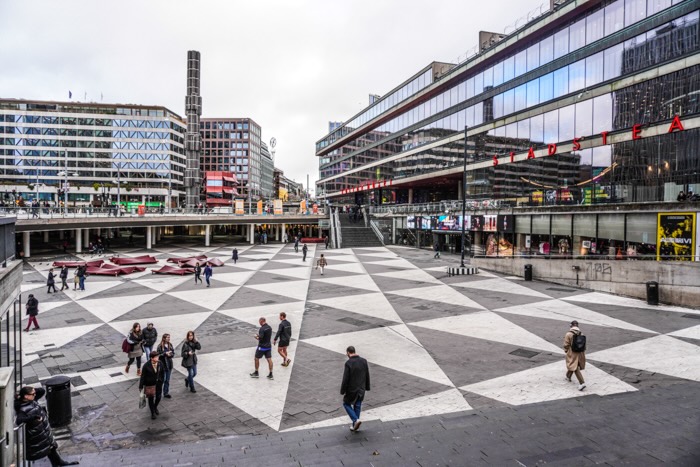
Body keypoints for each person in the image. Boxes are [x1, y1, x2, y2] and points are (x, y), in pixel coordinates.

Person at [14, 386, 79, 466]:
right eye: (33, 394)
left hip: (43, 429)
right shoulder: (22, 409)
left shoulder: (32, 399)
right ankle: (58, 463)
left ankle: (58, 463)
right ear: (26, 396)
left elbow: (42, 391)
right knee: (48, 448)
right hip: (37, 433)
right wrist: (33, 417)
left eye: (34, 393)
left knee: (51, 447)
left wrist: (32, 390)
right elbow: (19, 420)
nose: (35, 395)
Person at [341, 346, 370, 432]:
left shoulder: (348, 363)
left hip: (351, 389)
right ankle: (355, 426)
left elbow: (345, 378)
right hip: (361, 388)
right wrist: (367, 387)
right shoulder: (364, 361)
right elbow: (367, 375)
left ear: (348, 353)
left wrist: (343, 390)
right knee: (357, 405)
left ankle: (355, 420)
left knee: (346, 404)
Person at [139, 351, 165, 420]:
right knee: (151, 398)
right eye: (156, 357)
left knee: (159, 396)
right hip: (150, 384)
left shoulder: (160, 363)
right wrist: (141, 386)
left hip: (159, 383)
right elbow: (143, 376)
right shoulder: (146, 365)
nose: (158, 358)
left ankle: (155, 406)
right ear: (152, 358)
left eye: (158, 356)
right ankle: (152, 412)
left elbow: (162, 372)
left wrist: (162, 380)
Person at [563, 320, 586, 391]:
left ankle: (582, 383)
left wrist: (566, 351)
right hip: (581, 352)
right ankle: (568, 376)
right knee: (573, 364)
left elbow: (566, 345)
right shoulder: (581, 333)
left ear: (571, 326)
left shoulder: (568, 334)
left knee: (574, 367)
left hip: (572, 352)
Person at [157, 333, 175, 399]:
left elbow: (173, 353)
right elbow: (158, 355)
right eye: (167, 337)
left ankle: (166, 392)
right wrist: (165, 353)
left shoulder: (170, 345)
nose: (168, 338)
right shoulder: (160, 346)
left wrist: (171, 354)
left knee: (167, 380)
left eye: (169, 337)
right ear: (164, 338)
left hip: (169, 364)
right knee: (162, 380)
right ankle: (158, 393)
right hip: (163, 365)